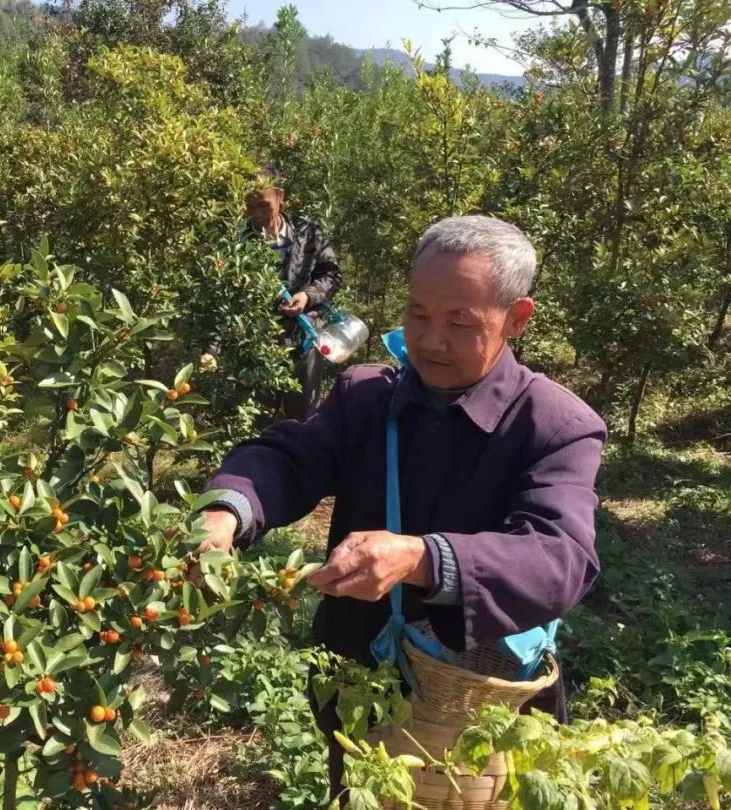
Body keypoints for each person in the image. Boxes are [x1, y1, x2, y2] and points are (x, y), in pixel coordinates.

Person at [195, 215, 607, 801]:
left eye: (459, 323)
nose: (431, 340)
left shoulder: (554, 426)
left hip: (480, 710)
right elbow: (287, 459)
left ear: (517, 319)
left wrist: (424, 558)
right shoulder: (366, 399)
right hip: (360, 686)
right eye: (418, 314)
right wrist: (227, 509)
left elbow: (561, 557)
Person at [244, 167, 342, 421]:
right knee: (258, 420)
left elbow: (331, 274)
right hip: (259, 345)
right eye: (251, 207)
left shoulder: (308, 233)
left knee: (303, 419)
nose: (258, 214)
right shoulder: (240, 241)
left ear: (280, 197)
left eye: (264, 205)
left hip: (305, 340)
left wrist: (308, 296)